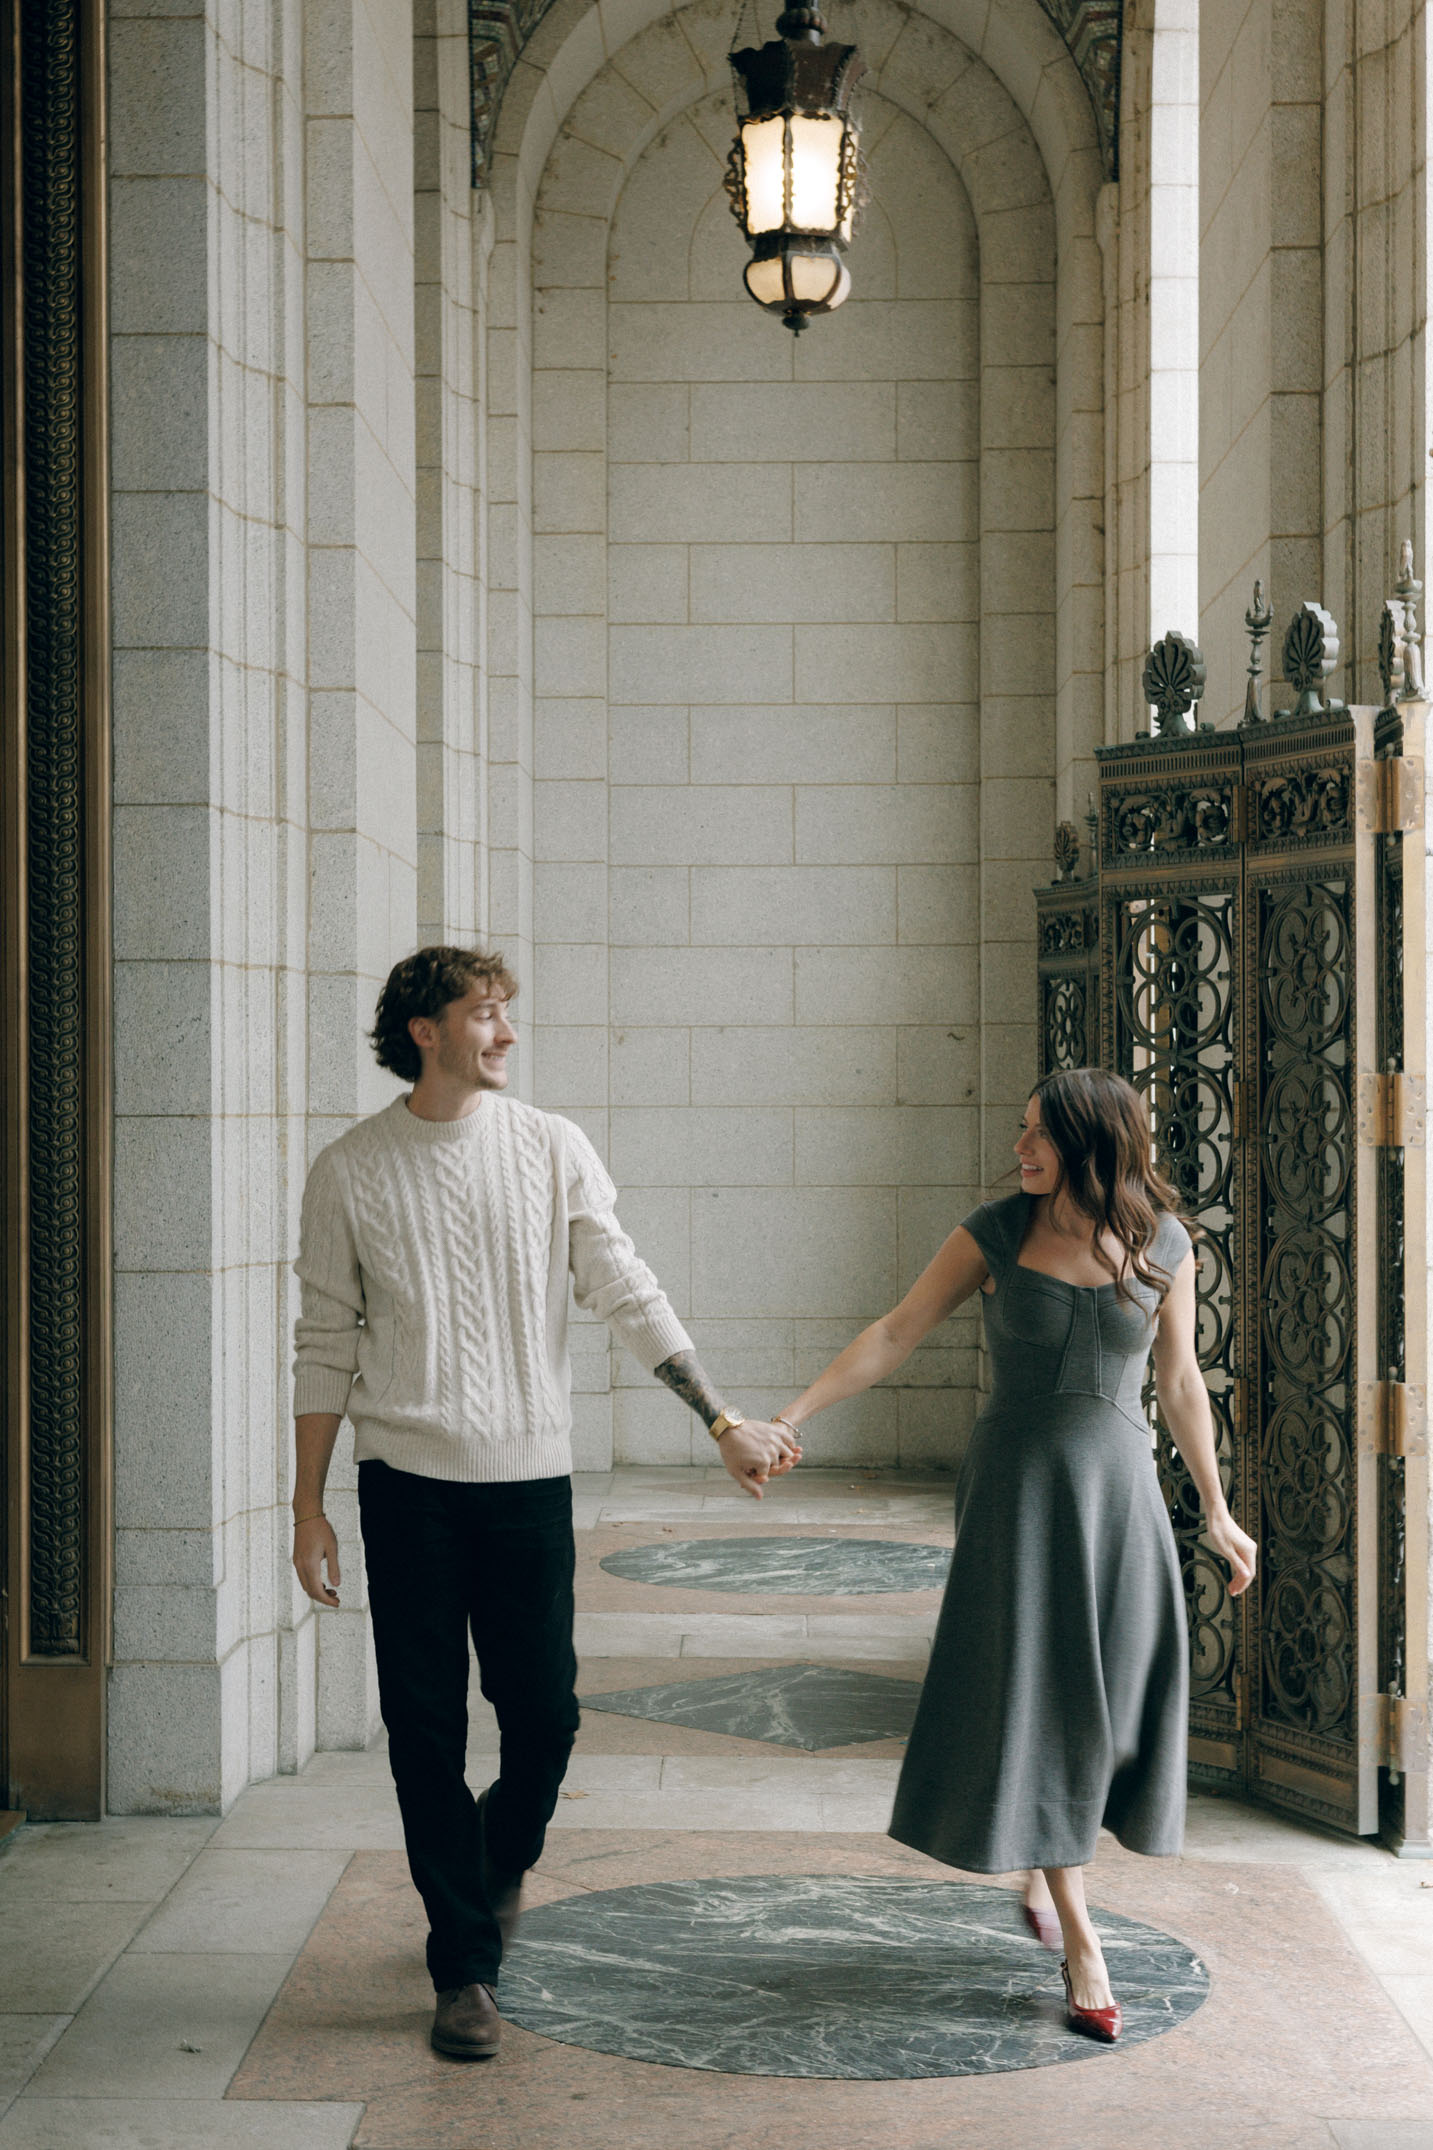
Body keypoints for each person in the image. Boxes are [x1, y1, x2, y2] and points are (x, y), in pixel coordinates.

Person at [289, 945, 797, 2061]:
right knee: (422, 1727)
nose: (506, 1034)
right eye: (485, 1014)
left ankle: (486, 1862)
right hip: (406, 1489)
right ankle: (462, 1963)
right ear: (424, 1029)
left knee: (546, 1718)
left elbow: (625, 1285)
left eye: (506, 1013)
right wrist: (306, 1507)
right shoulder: (348, 1170)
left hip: (525, 1482)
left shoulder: (551, 1147)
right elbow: (324, 1343)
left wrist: (720, 1422)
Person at [763, 1066, 1256, 2042]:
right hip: (1018, 1497)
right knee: (1046, 1698)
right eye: (1018, 1130)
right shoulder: (992, 1233)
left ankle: (1043, 1858)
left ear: (1087, 1141)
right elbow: (894, 1331)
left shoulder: (1164, 1242)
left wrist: (1215, 1505)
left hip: (1118, 1494)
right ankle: (1078, 1933)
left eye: (1035, 1134)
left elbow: (1179, 1379)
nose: (1017, 1148)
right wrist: (788, 1416)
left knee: (1110, 1706)